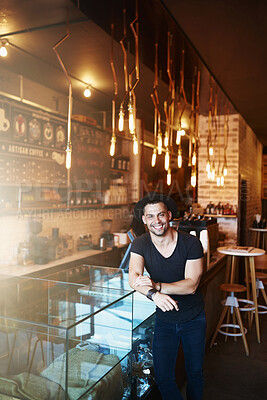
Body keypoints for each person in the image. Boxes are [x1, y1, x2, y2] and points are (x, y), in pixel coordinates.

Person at [128, 192, 206, 400]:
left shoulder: (190, 243)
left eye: (161, 215)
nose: (157, 221)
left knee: (195, 374)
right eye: (151, 216)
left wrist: (157, 286)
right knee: (163, 378)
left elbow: (191, 285)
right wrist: (154, 294)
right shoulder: (141, 244)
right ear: (144, 220)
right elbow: (134, 278)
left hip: (193, 318)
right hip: (164, 319)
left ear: (169, 215)